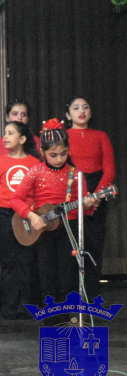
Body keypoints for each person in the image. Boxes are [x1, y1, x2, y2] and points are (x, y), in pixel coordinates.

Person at [11, 119, 95, 311]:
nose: (59, 159)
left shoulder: (76, 174)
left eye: (63, 154)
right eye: (53, 155)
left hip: (68, 230)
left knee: (67, 277)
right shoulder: (35, 171)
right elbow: (15, 199)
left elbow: (83, 210)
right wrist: (31, 216)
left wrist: (89, 206)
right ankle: (50, 319)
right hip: (44, 231)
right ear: (42, 152)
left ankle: (67, 318)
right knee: (47, 278)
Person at [0, 121, 41, 320]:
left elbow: (38, 192)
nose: (5, 137)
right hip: (4, 215)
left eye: (11, 133)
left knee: (27, 261)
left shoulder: (34, 163)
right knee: (9, 261)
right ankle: (9, 307)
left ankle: (27, 306)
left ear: (23, 139)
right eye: (5, 133)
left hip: (28, 215)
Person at [65, 96, 115, 298]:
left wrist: (96, 196)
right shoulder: (63, 136)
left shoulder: (101, 136)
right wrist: (79, 193)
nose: (82, 111)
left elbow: (109, 170)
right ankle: (71, 294)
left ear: (91, 112)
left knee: (93, 244)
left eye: (85, 107)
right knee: (71, 244)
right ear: (68, 115)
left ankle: (91, 295)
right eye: (76, 108)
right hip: (71, 189)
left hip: (96, 189)